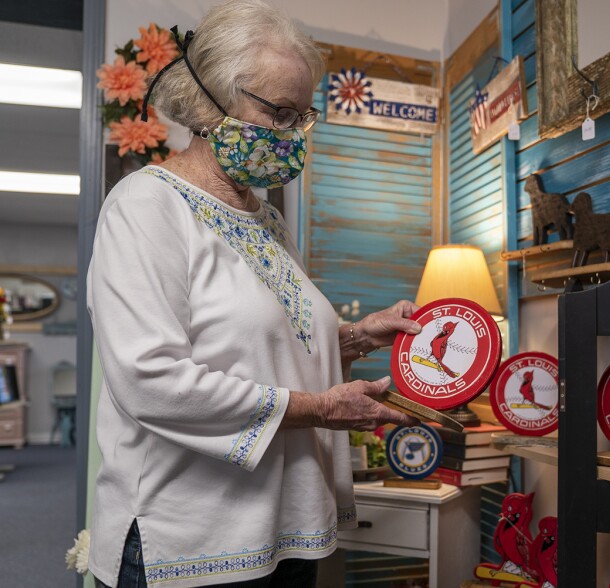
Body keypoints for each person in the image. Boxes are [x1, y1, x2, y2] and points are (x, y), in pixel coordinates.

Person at [87, 1, 419, 586]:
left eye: (303, 117)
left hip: (284, 529)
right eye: (280, 113)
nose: (293, 135)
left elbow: (262, 348)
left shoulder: (268, 222)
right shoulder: (147, 206)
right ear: (210, 102)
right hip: (191, 542)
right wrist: (320, 408)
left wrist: (358, 337)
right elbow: (149, 378)